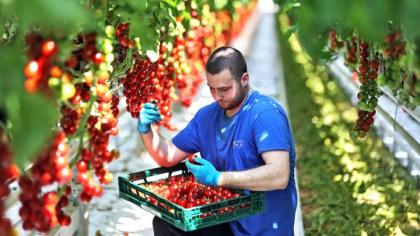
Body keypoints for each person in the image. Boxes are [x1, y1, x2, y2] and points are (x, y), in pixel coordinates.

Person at [138, 46, 297, 236]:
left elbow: (279, 175)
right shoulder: (207, 117)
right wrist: (147, 131)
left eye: (224, 89)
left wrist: (218, 178)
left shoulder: (265, 114)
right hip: (227, 222)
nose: (217, 96)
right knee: (167, 224)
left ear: (244, 80)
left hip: (263, 230)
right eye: (211, 88)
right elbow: (168, 155)